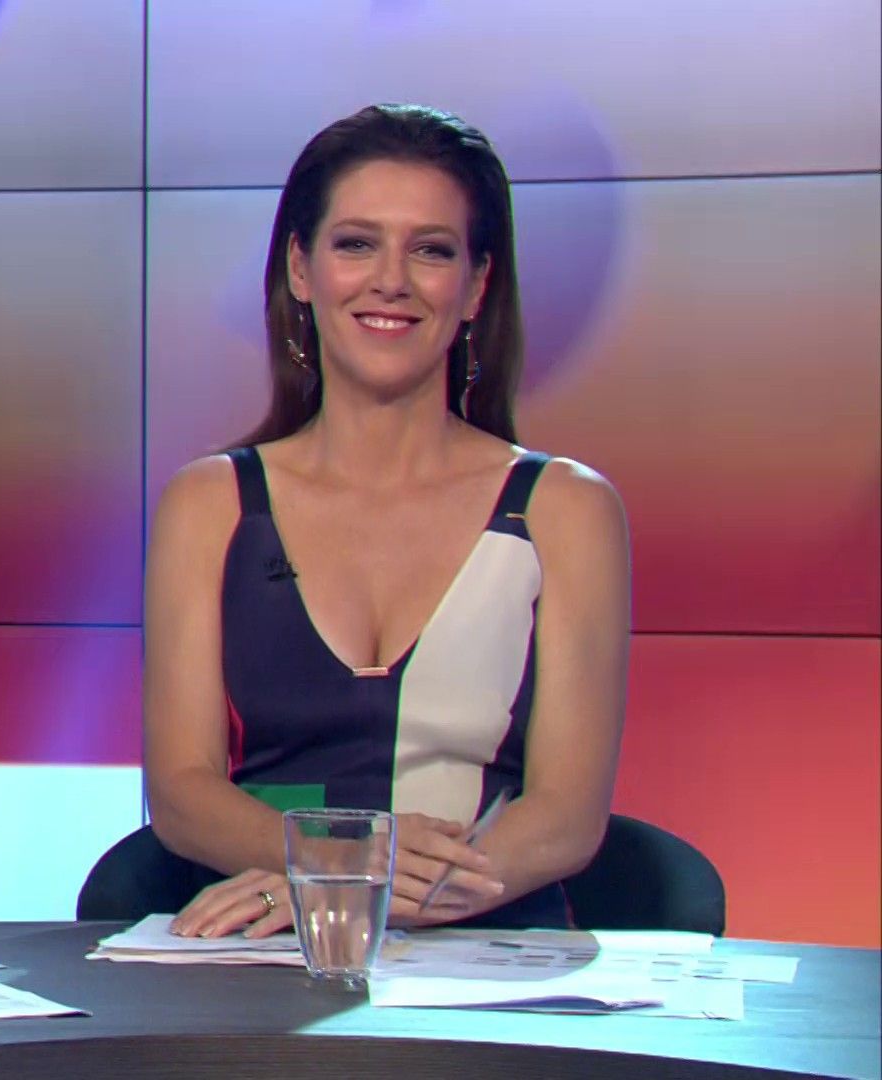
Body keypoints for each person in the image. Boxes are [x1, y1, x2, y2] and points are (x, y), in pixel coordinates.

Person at [144, 104, 629, 937]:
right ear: (301, 269)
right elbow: (183, 792)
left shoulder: (565, 508)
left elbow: (565, 817)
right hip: (265, 947)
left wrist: (365, 890)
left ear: (477, 285)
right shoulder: (210, 504)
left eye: (431, 250)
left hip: (488, 952)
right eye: (356, 244)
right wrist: (329, 872)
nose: (391, 281)